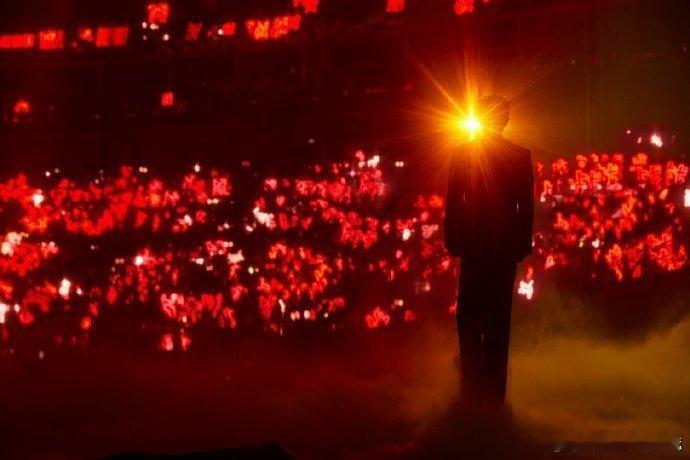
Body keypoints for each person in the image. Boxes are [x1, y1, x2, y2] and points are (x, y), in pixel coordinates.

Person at [444, 95, 534, 406]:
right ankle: (493, 398)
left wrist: (453, 240)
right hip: (501, 251)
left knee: (470, 319)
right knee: (497, 323)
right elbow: (525, 208)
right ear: (505, 120)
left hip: (475, 247)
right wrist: (520, 245)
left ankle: (472, 392)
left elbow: (454, 202)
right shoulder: (518, 156)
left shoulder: (463, 154)